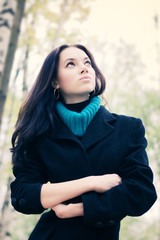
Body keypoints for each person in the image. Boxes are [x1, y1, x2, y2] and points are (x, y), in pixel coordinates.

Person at [10, 44, 157, 240]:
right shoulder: (40, 134)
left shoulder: (128, 128)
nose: (84, 67)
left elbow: (142, 192)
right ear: (55, 82)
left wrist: (75, 209)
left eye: (87, 62)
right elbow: (23, 195)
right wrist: (92, 183)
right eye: (71, 64)